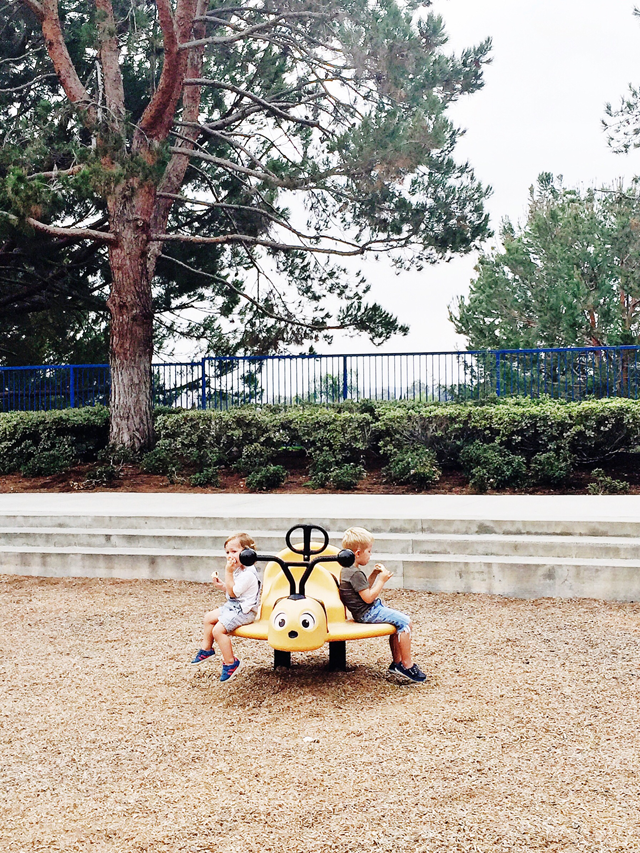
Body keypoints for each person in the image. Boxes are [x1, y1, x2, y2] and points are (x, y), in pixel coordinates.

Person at [339, 526, 426, 684]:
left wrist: (373, 575)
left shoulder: (348, 570)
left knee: (397, 624)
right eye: (369, 551)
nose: (370, 555)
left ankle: (397, 664)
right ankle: (407, 665)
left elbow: (363, 588)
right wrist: (382, 581)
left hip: (364, 612)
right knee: (406, 623)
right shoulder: (355, 573)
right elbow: (368, 598)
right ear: (358, 553)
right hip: (368, 612)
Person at [190, 532, 260, 682]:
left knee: (218, 631)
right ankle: (206, 650)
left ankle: (230, 662)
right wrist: (222, 585)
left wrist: (228, 572)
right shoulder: (240, 569)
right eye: (227, 552)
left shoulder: (248, 574)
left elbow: (233, 593)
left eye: (234, 551)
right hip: (234, 606)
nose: (230, 556)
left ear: (247, 553)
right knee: (208, 618)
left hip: (244, 611)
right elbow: (232, 590)